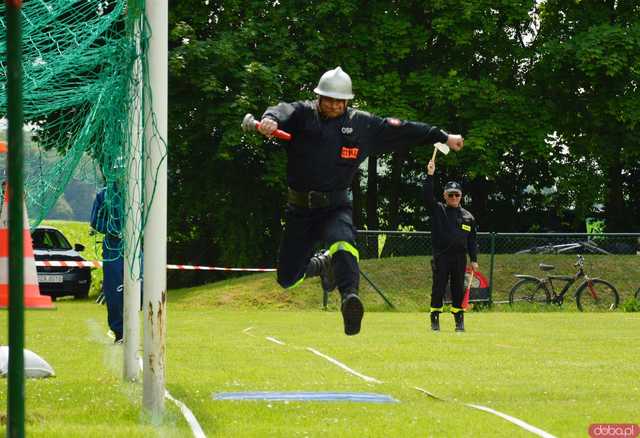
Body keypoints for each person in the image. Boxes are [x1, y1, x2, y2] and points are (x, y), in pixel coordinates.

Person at [257, 66, 464, 335]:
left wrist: (443, 136)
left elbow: (405, 130)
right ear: (318, 97)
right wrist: (269, 118)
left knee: (344, 243)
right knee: (287, 279)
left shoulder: (362, 125)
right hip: (300, 209)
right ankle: (321, 264)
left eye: (339, 101)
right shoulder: (303, 114)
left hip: (335, 206)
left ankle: (349, 299)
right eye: (327, 99)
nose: (332, 105)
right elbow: (281, 109)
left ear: (347, 102)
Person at [424, 159, 478, 332]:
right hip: (442, 256)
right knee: (438, 287)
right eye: (450, 194)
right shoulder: (438, 210)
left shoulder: (468, 217)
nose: (454, 197)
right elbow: (426, 196)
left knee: (457, 289)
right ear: (445, 196)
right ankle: (435, 319)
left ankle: (459, 321)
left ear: (461, 196)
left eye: (457, 194)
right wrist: (430, 175)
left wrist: (474, 260)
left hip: (459, 258)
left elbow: (471, 240)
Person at [90, 184, 124, 343]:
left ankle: (133, 323)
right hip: (113, 249)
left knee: (143, 286)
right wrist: (113, 230)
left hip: (135, 247)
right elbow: (95, 221)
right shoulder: (103, 195)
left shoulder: (139, 191)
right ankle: (119, 332)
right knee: (115, 292)